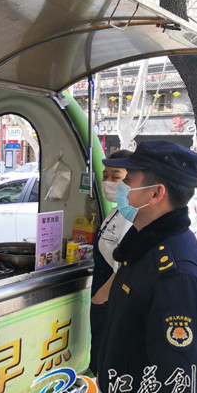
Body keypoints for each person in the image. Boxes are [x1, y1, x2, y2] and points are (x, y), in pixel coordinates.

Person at [97, 140, 197, 393]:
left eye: (128, 181)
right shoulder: (144, 246)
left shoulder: (177, 275)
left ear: (156, 193)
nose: (120, 188)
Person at [88, 149, 133, 376]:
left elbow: (124, 266)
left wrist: (99, 299)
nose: (108, 182)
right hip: (104, 291)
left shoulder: (131, 216)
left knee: (107, 360)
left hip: (110, 297)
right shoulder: (117, 211)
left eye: (116, 176)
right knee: (100, 353)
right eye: (105, 175)